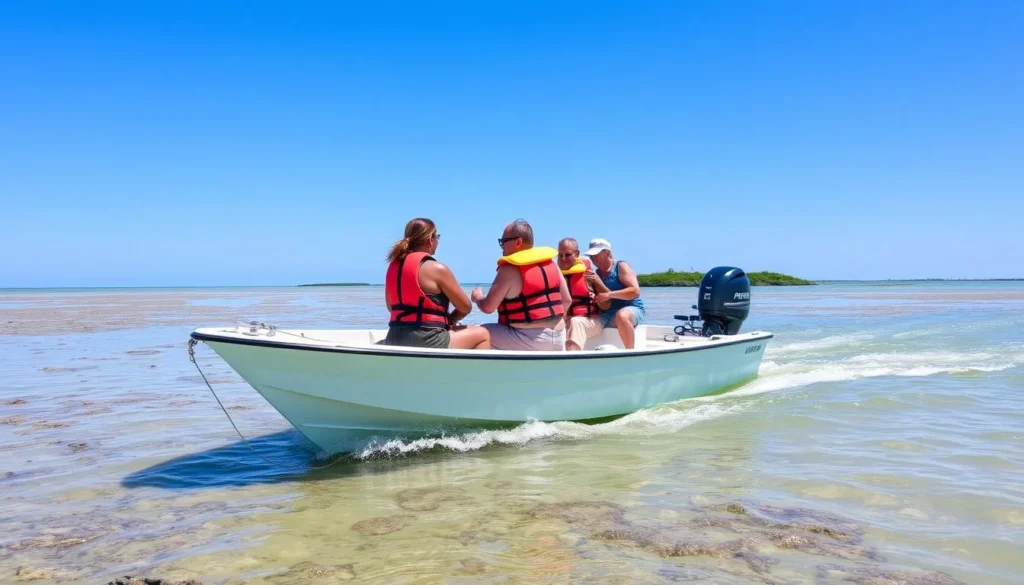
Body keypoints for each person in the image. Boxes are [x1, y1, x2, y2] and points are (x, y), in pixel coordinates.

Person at [383, 218, 490, 349]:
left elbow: (391, 307)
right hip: (426, 338)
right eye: (437, 236)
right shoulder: (436, 269)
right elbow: (465, 307)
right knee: (483, 334)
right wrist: (451, 319)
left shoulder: (393, 268)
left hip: (394, 336)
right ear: (430, 240)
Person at [470, 219, 571, 351]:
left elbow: (488, 308)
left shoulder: (510, 269)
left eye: (503, 241)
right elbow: (567, 300)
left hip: (527, 338)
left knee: (475, 334)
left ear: (518, 242)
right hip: (559, 336)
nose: (501, 246)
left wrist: (477, 297)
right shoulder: (552, 265)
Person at [584, 238, 645, 349]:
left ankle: (630, 352)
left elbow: (635, 291)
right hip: (606, 314)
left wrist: (609, 295)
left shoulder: (620, 266)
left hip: (631, 309)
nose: (592, 258)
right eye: (590, 255)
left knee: (622, 315)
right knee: (578, 319)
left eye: (596, 254)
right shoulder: (594, 274)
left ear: (607, 253)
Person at [557, 237, 611, 351]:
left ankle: (572, 359)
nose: (563, 258)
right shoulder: (554, 275)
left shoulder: (589, 275)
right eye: (560, 255)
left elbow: (606, 306)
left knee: (576, 321)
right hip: (566, 320)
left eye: (567, 255)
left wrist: (598, 282)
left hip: (592, 321)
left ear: (577, 254)